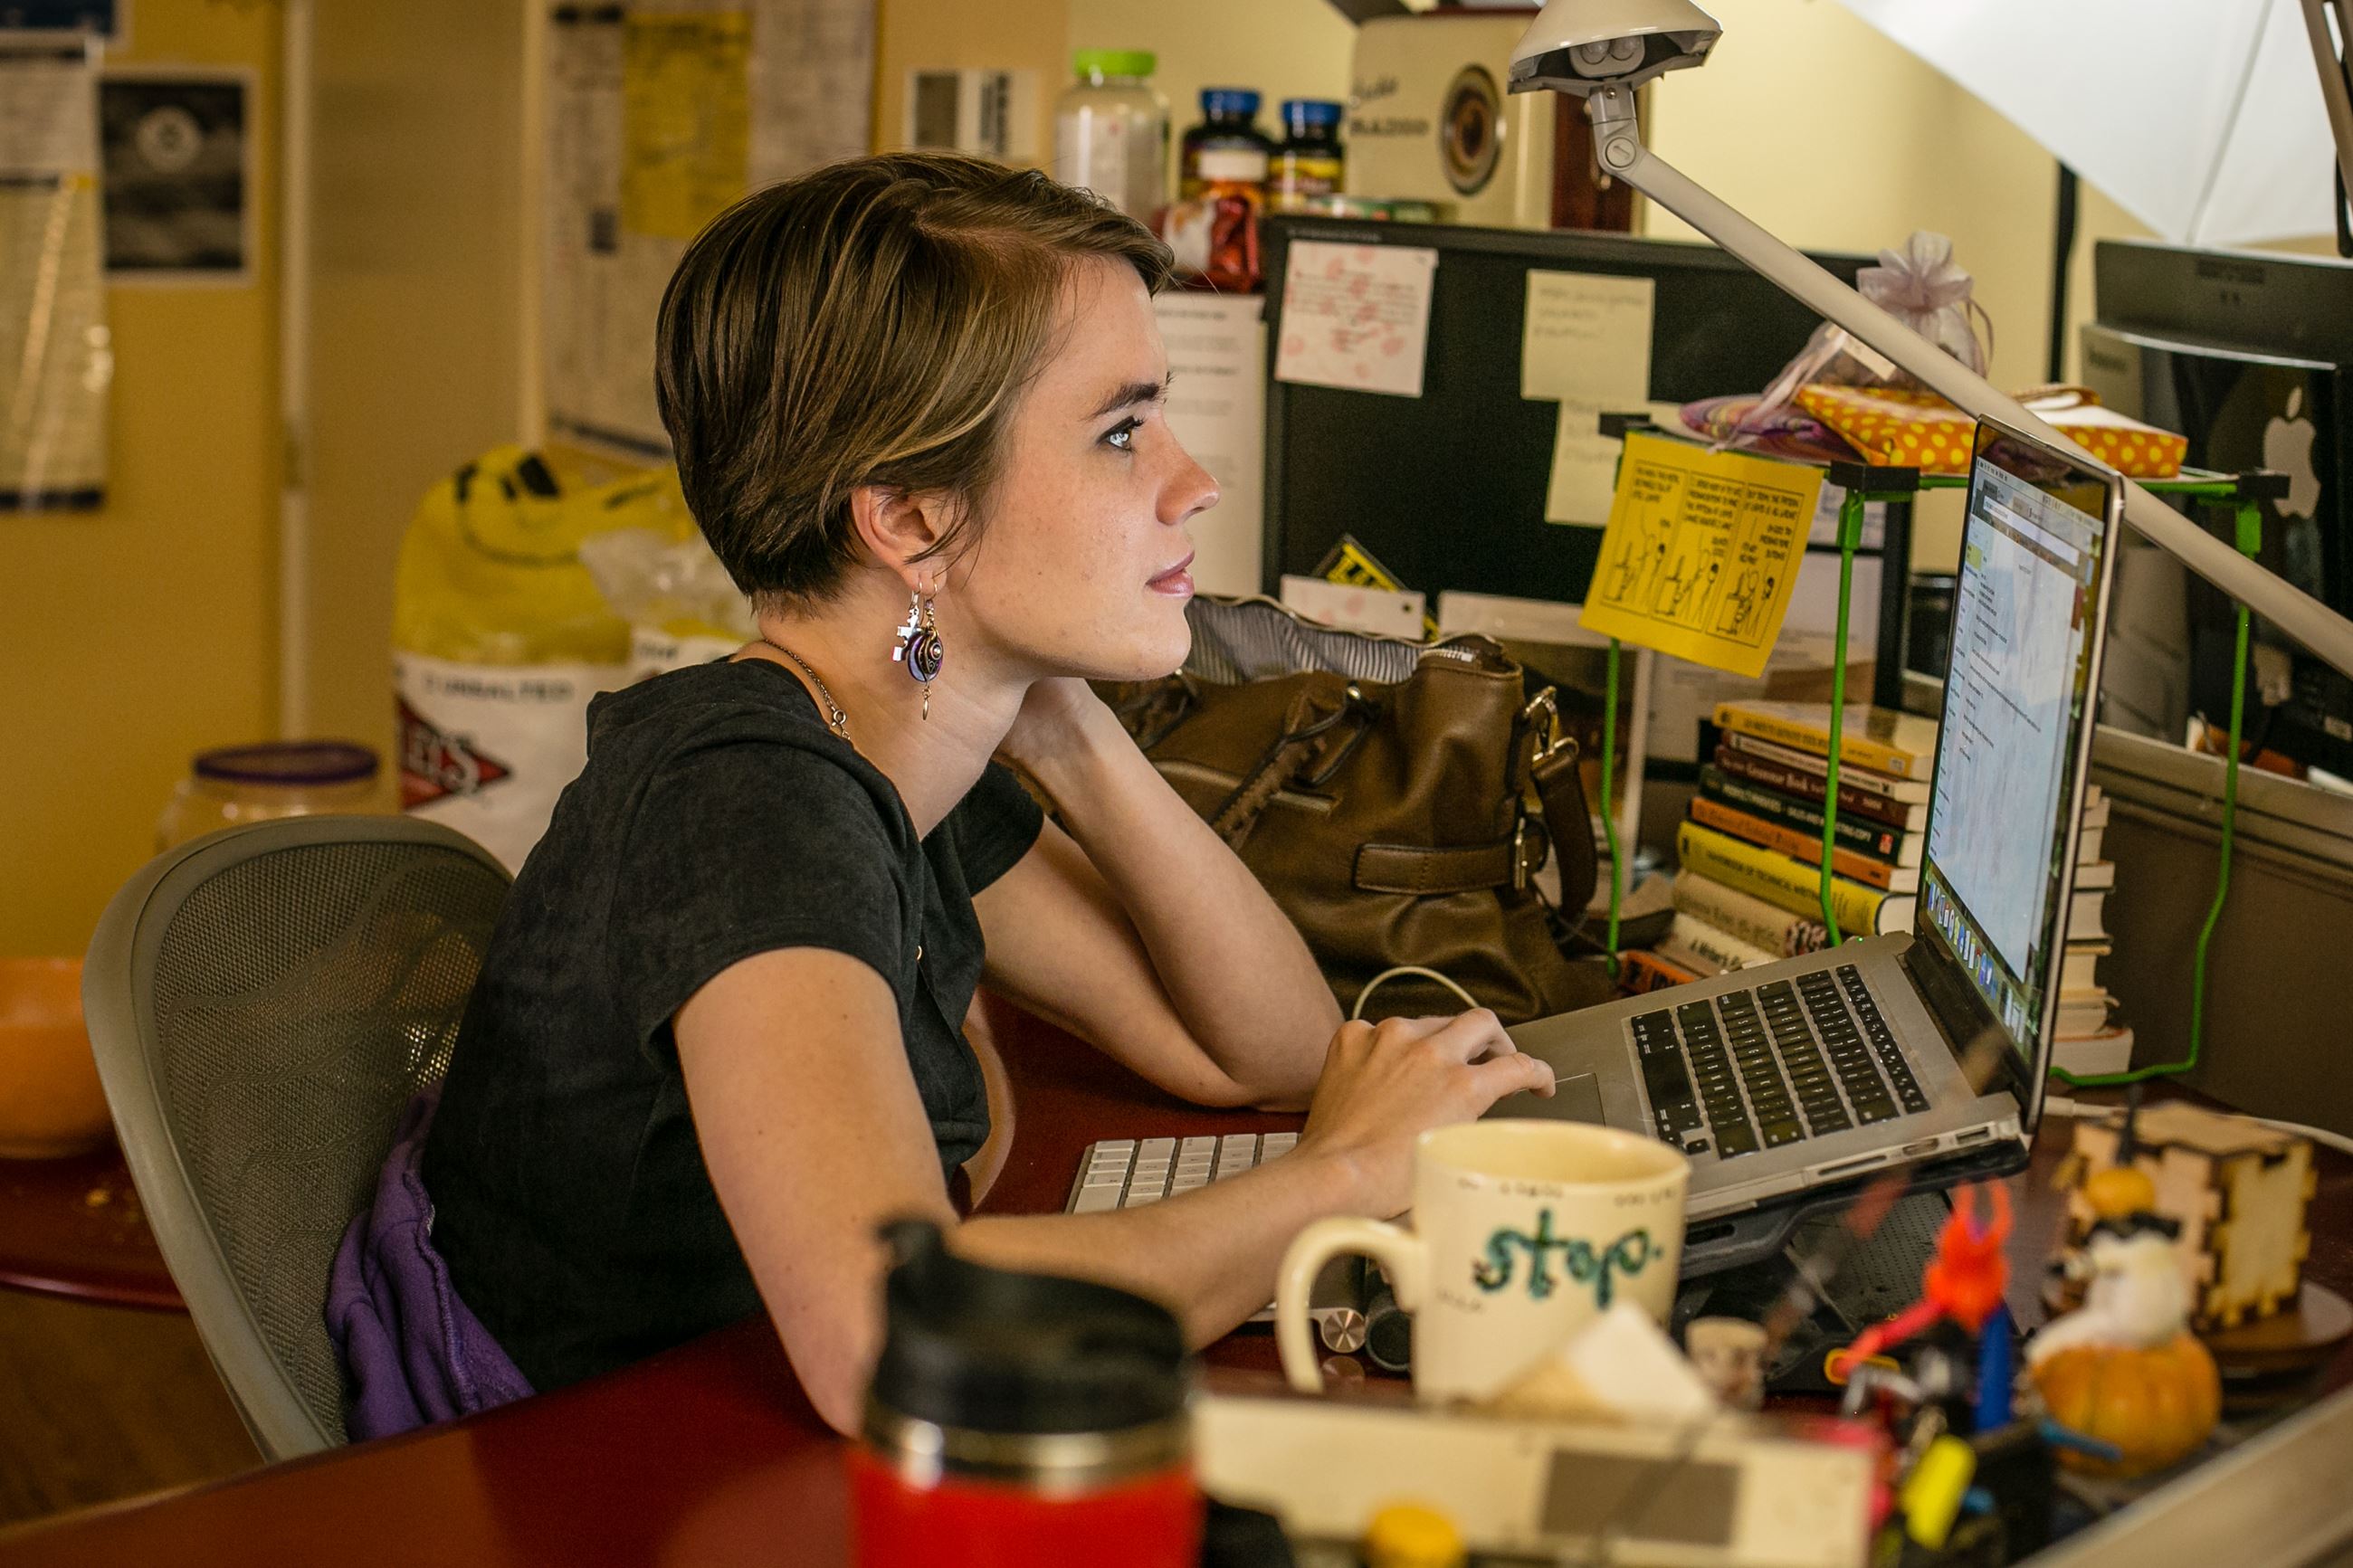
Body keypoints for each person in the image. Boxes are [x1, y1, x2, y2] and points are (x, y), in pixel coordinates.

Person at [418, 151, 1553, 1436]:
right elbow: (892, 1342)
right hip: (600, 1478)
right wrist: (1346, 1175)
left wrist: (1067, 727)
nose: (1195, 481)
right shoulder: (745, 805)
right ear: (912, 523)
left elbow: (1264, 1050)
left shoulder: (900, 745)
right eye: (1124, 430)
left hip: (739, 1431)